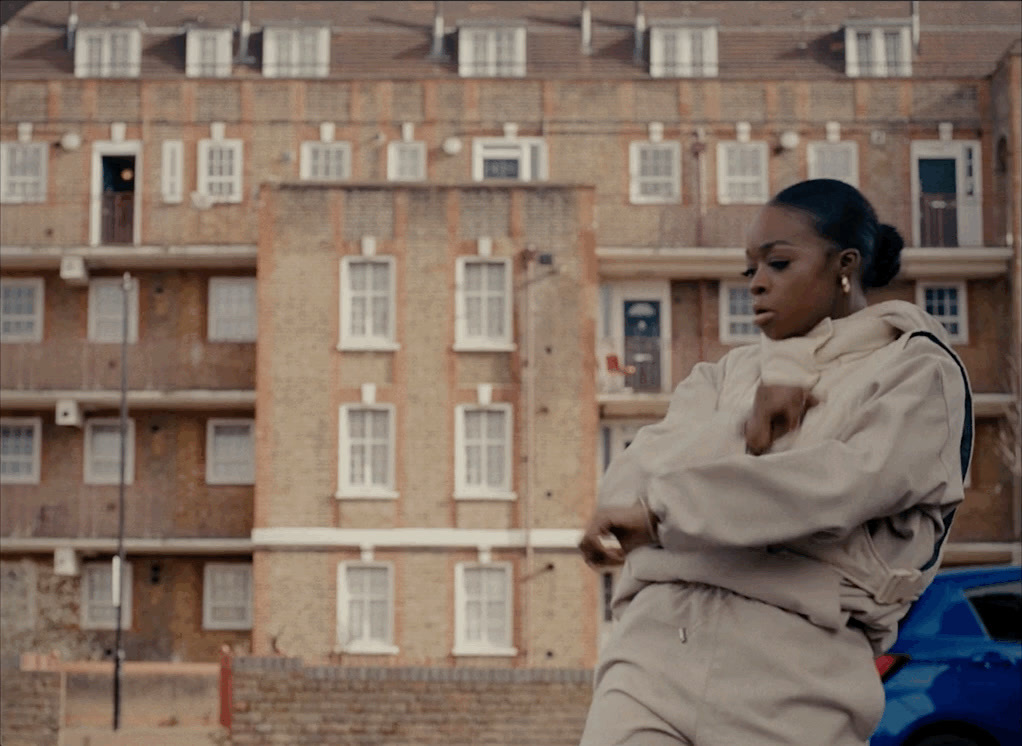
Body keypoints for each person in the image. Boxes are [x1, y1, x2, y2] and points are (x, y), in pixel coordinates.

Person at [578, 179, 973, 746]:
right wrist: (744, 428)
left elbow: (832, 490)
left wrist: (664, 514)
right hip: (652, 654)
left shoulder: (916, 372)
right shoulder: (723, 377)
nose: (757, 283)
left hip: (793, 674)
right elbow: (630, 480)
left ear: (845, 266)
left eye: (779, 263)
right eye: (749, 269)